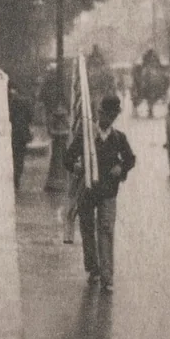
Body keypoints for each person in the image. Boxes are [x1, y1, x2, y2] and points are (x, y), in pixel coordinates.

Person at [64, 93, 135, 293]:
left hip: (108, 192)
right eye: (106, 115)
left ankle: (107, 277)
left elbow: (130, 159)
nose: (108, 119)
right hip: (87, 191)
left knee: (106, 230)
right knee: (87, 231)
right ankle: (93, 268)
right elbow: (67, 157)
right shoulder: (86, 136)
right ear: (99, 113)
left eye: (113, 116)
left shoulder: (119, 138)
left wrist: (121, 168)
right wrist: (76, 166)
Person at [8, 80, 33, 189]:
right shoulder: (27, 101)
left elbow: (10, 117)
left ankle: (14, 178)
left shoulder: (12, 102)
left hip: (14, 132)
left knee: (13, 155)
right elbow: (30, 117)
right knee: (20, 157)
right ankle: (17, 178)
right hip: (23, 133)